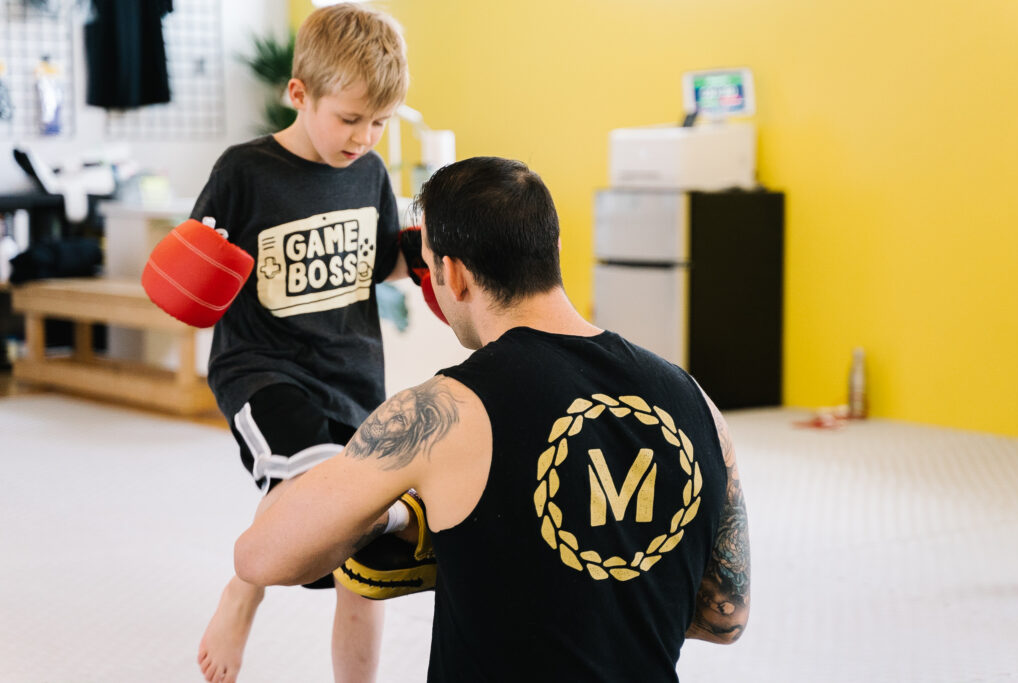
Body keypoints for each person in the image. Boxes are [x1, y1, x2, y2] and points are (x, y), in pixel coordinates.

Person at [234, 156, 752, 681]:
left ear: (452, 274)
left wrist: (389, 515)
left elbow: (260, 558)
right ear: (553, 252)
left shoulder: (437, 412)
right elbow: (724, 617)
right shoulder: (693, 399)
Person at [191, 5, 418, 682]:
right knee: (310, 481)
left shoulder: (370, 171)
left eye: (378, 122)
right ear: (299, 93)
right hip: (263, 369)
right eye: (349, 119)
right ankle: (244, 588)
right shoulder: (245, 171)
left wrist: (439, 250)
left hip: (352, 375)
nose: (363, 136)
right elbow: (195, 262)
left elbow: (384, 264)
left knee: (366, 545)